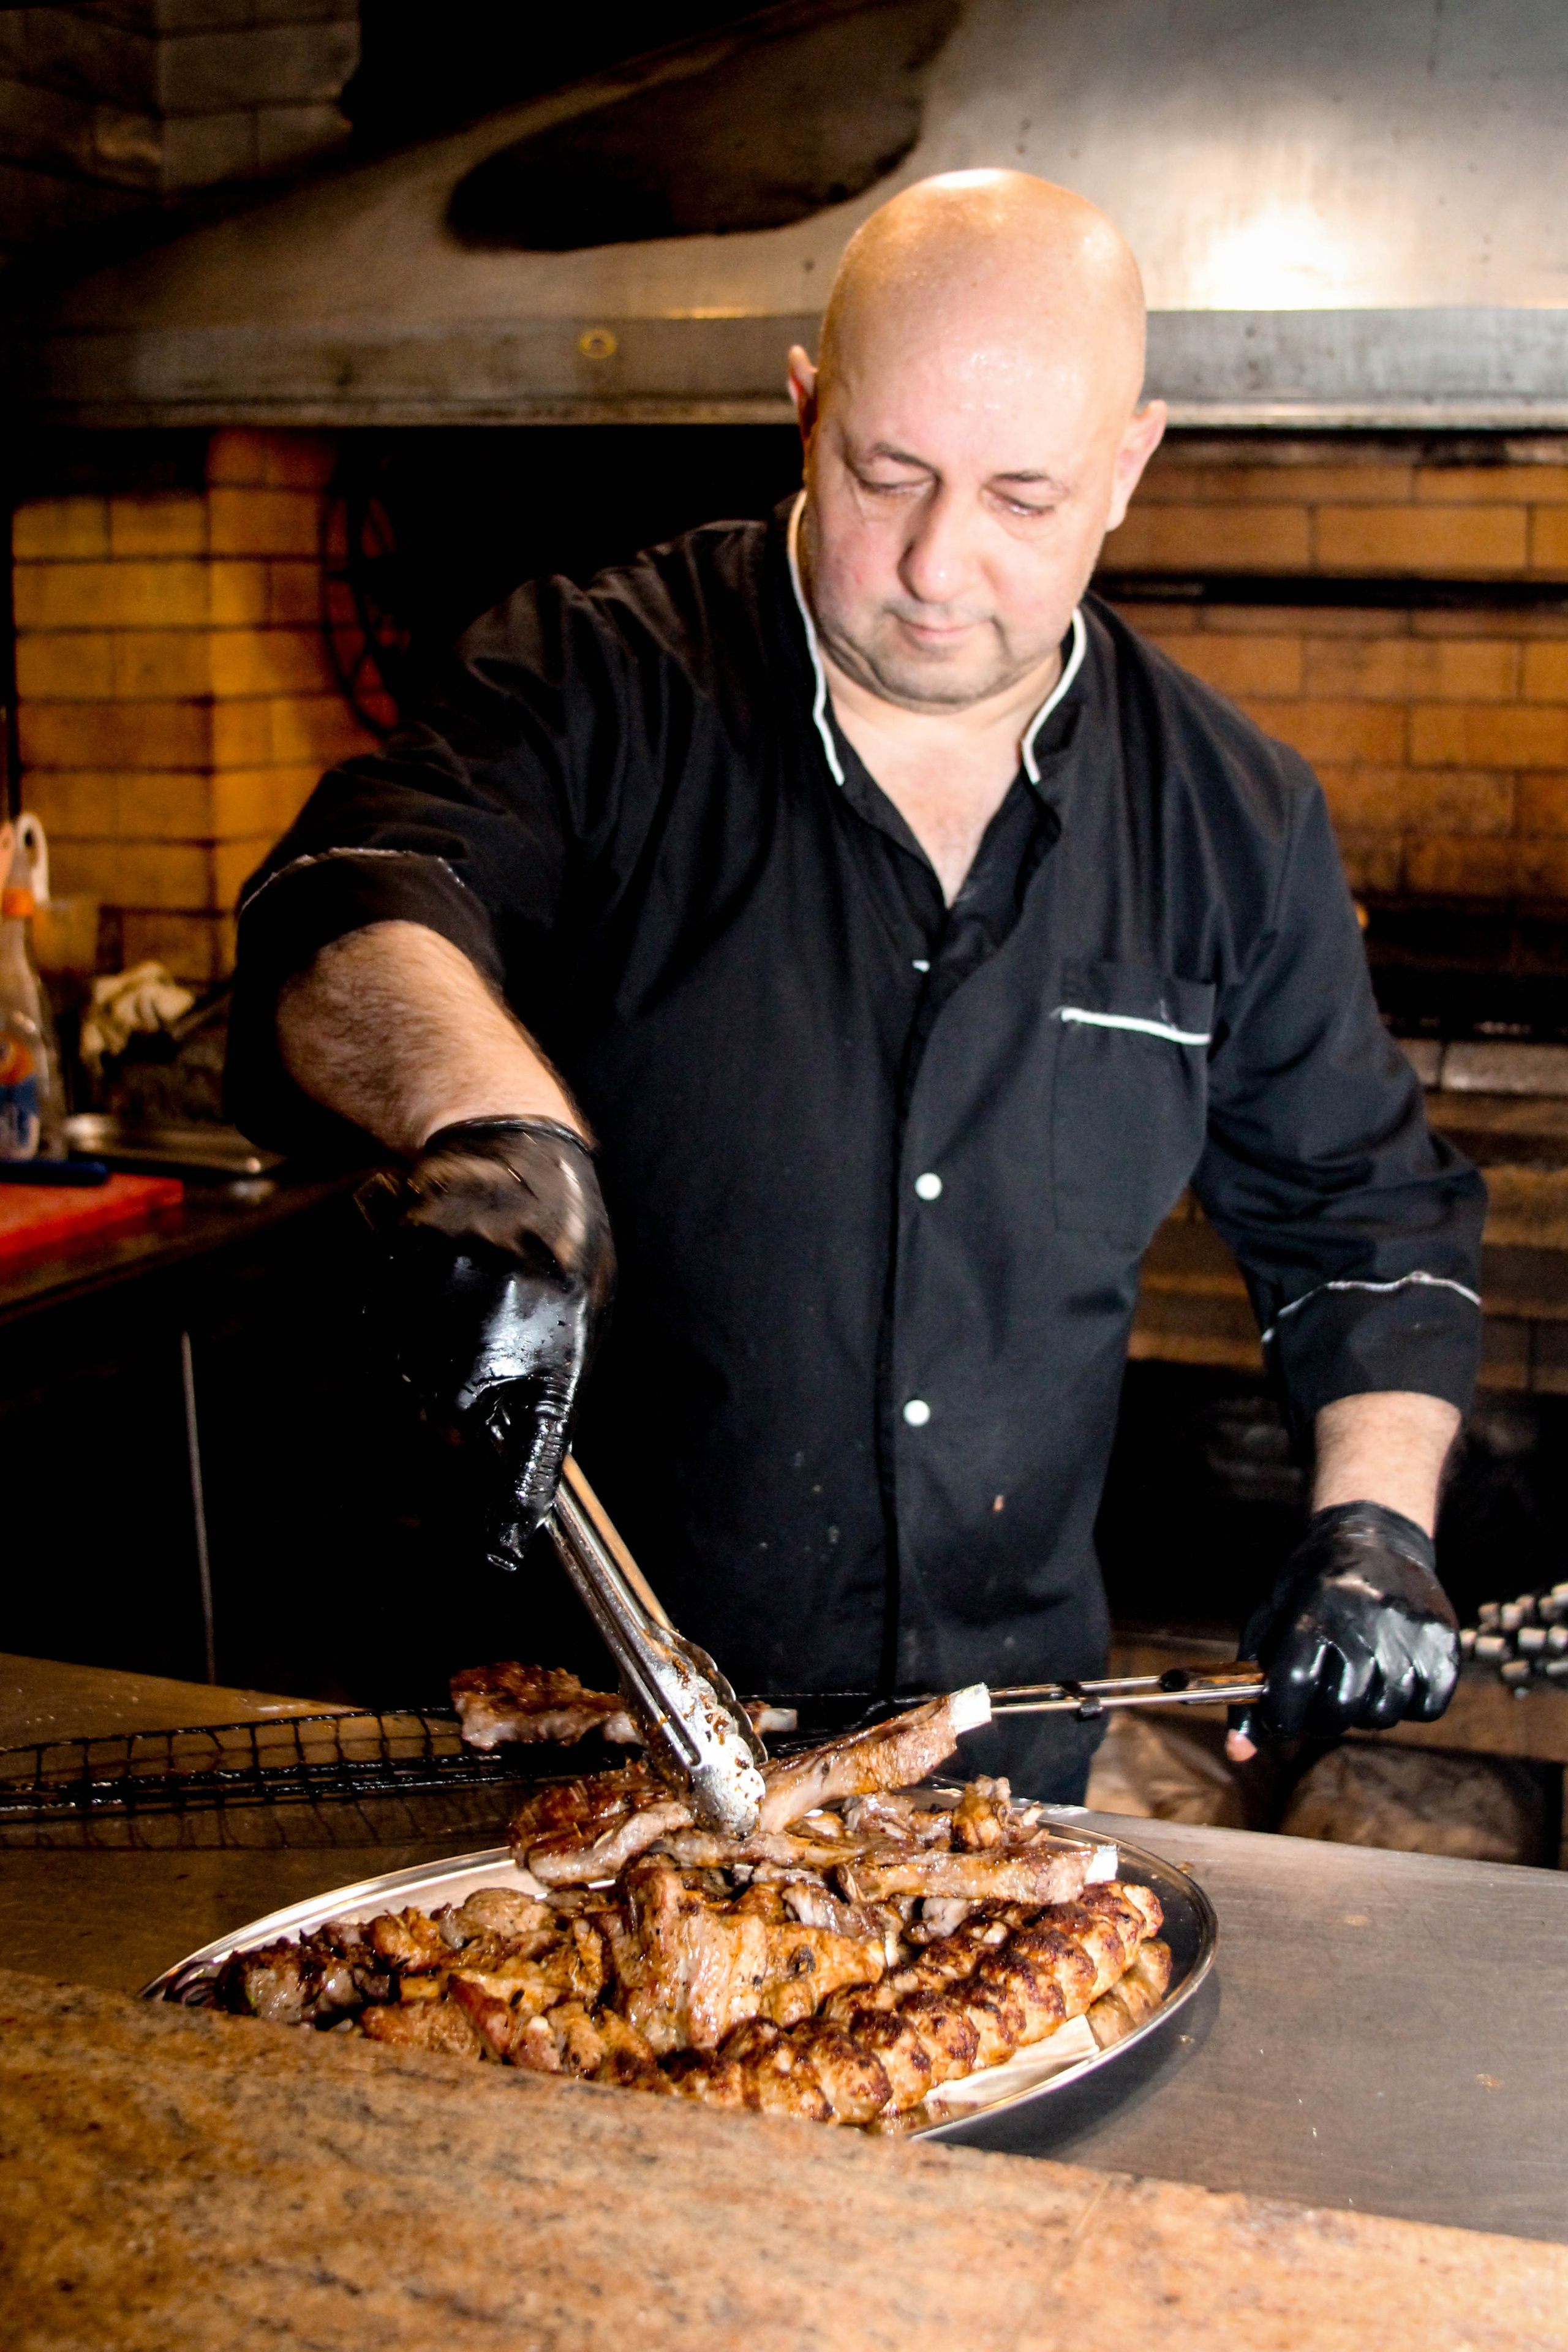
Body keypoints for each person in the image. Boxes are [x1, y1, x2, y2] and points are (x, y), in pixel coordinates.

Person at [228, 170, 1485, 1797]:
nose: (938, 568)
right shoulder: (598, 675)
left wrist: (1376, 1525)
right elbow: (362, 899)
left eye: (1024, 501)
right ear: (805, 410)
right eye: (888, 475)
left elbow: (1366, 1217)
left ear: (1129, 466)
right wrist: (491, 1130)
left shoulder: (1229, 817)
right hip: (569, 1763)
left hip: (991, 1790)